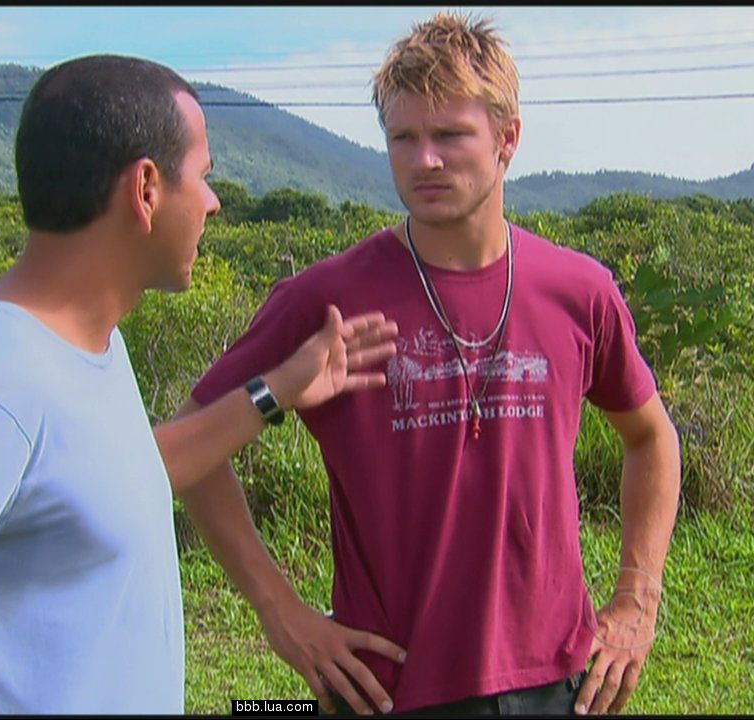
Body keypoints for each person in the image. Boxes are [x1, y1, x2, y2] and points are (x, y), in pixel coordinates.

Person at [0, 54, 405, 715]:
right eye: (202, 176)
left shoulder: (83, 343)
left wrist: (278, 389)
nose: (212, 201)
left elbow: (116, 477)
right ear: (146, 188)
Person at [175, 13, 681, 717]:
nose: (424, 161)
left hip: (559, 682)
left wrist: (638, 599)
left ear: (508, 140)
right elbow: (192, 440)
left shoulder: (577, 290)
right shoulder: (327, 298)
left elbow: (650, 435)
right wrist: (280, 612)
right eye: (403, 139)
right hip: (387, 686)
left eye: (449, 136)